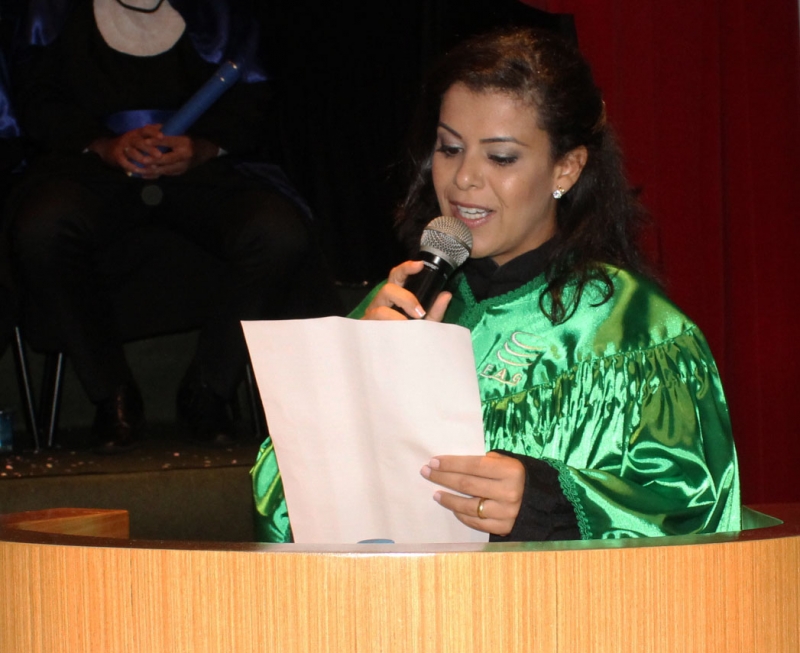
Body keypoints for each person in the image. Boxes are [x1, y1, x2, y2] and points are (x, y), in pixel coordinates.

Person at [251, 27, 741, 542]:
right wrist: (356, 375)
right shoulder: (397, 307)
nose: (463, 178)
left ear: (566, 168)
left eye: (500, 157)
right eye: (449, 148)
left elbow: (696, 518)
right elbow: (277, 498)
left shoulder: (635, 335)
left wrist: (552, 504)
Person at [7, 0, 341, 453]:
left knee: (278, 232)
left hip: (198, 172)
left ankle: (209, 389)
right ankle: (111, 392)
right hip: (92, 168)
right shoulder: (54, 13)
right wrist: (104, 145)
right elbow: (38, 100)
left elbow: (252, 101)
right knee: (43, 226)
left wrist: (202, 147)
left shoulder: (219, 13)